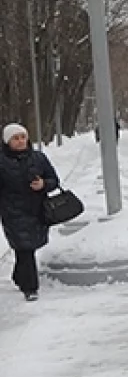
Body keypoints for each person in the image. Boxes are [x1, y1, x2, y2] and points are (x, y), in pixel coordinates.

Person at [0, 124, 59, 301]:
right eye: (15, 138)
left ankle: (19, 276)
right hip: (12, 212)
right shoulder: (2, 161)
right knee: (25, 248)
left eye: (22, 137)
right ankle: (30, 288)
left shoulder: (38, 158)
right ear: (7, 141)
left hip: (37, 210)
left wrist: (44, 185)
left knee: (27, 247)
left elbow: (54, 180)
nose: (20, 141)